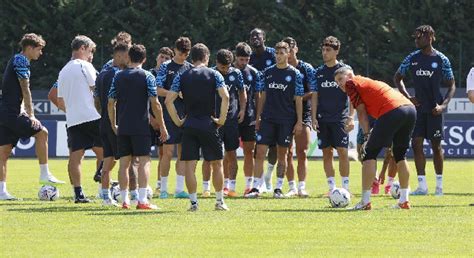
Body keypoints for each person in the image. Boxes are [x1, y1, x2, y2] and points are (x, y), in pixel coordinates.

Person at [334, 67, 416, 210]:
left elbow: (361, 113)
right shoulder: (366, 81)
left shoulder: (351, 84)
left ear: (350, 75)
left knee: (369, 154)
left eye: (341, 79)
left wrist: (366, 136)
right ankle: (404, 200)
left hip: (392, 110)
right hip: (410, 109)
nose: (340, 84)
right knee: (400, 155)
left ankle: (365, 202)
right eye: (337, 82)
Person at [165, 43, 230, 211]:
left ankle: (193, 203)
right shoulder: (214, 74)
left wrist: (178, 121)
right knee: (217, 163)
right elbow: (226, 96)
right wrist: (221, 119)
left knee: (189, 166)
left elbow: (168, 100)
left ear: (192, 58)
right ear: (207, 57)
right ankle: (219, 201)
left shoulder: (182, 75)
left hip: (189, 125)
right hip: (209, 124)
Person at [0, 33, 64, 200]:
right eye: (39, 49)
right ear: (29, 48)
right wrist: (31, 114)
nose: (40, 53)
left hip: (5, 112)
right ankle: (44, 174)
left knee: (4, 152)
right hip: (11, 113)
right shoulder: (21, 61)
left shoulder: (15, 59)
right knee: (42, 133)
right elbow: (25, 89)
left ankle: (1, 191)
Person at [394, 25, 455, 196]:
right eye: (415, 37)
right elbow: (398, 78)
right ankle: (422, 186)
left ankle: (439, 187)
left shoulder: (442, 59)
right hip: (418, 110)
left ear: (430, 37)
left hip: (435, 110)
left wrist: (443, 106)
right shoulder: (411, 58)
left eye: (419, 37)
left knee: (436, 147)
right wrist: (408, 97)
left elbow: (452, 85)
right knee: (416, 144)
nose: (416, 40)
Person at [107, 44, 168, 210]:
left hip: (124, 126)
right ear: (144, 59)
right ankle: (142, 200)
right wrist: (162, 126)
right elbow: (155, 104)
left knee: (124, 164)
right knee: (144, 162)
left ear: (128, 57)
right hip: (141, 127)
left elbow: (111, 102)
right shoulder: (147, 76)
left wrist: (114, 124)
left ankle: (125, 201)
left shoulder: (118, 76)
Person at [245, 41, 304, 199]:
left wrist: (299, 121)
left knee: (282, 154)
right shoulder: (267, 72)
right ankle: (256, 187)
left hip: (286, 119)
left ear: (288, 54)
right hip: (268, 119)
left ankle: (278, 188)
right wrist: (258, 117)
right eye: (277, 53)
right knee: (260, 152)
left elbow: (298, 98)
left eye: (282, 53)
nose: (279, 56)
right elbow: (262, 95)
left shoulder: (295, 74)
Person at [57, 35, 101, 203]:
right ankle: (103, 181)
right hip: (92, 115)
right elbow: (95, 88)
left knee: (75, 157)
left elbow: (60, 100)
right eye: (90, 50)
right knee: (109, 150)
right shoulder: (85, 65)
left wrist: (73, 111)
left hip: (73, 119)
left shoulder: (63, 71)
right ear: (82, 48)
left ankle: (78, 194)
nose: (91, 55)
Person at [311, 36, 354, 196]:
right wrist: (314, 117)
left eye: (328, 50)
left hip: (340, 118)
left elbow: (353, 95)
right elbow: (315, 96)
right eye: (323, 49)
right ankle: (331, 188)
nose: (325, 53)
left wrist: (350, 116)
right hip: (323, 118)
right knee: (326, 153)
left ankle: (345, 187)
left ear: (336, 51)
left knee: (342, 151)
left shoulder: (346, 70)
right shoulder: (318, 72)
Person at [156, 37, 193, 199]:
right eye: (180, 52)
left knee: (183, 152)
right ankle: (163, 189)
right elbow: (157, 89)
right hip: (169, 114)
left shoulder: (190, 68)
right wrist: (175, 93)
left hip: (186, 115)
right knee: (168, 152)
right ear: (175, 50)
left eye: (185, 53)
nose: (182, 56)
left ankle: (179, 189)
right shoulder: (165, 67)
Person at [93, 42, 129, 206]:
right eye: (127, 56)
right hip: (115, 122)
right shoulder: (117, 74)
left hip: (104, 122)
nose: (128, 60)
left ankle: (106, 196)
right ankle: (126, 196)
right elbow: (115, 101)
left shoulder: (101, 74)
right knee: (124, 160)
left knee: (108, 161)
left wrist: (103, 117)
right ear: (119, 55)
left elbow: (96, 99)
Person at [282, 37, 316, 197]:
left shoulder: (306, 68)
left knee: (302, 152)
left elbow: (314, 91)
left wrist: (299, 98)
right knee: (287, 152)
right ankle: (291, 187)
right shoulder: (280, 69)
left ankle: (302, 187)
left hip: (304, 115)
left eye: (291, 47)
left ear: (296, 49)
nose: (289, 51)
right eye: (285, 48)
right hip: (286, 115)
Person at [211, 49, 246, 197]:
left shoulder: (236, 73)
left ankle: (231, 187)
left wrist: (243, 109)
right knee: (215, 156)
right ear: (217, 63)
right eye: (222, 67)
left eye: (227, 67)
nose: (224, 71)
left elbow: (242, 92)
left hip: (231, 120)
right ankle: (216, 186)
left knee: (232, 153)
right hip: (215, 120)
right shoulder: (211, 73)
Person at [249, 28, 277, 192]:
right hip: (254, 108)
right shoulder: (249, 58)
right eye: (252, 36)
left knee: (274, 148)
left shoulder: (273, 54)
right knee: (257, 147)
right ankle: (256, 184)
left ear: (264, 37)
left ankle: (269, 176)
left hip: (275, 106)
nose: (255, 38)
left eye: (258, 35)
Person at [233, 42, 263, 195]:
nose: (244, 63)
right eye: (241, 60)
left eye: (246, 60)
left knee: (249, 152)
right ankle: (228, 185)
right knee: (229, 151)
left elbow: (258, 96)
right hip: (231, 116)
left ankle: (248, 185)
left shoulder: (254, 73)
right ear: (235, 57)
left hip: (249, 117)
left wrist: (258, 116)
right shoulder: (227, 71)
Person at [149, 46, 173, 195]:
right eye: (161, 57)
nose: (163, 60)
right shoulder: (149, 74)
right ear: (157, 58)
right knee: (142, 154)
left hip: (165, 119)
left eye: (166, 58)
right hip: (150, 119)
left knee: (163, 153)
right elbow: (142, 99)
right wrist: (150, 117)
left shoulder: (170, 76)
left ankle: (159, 184)